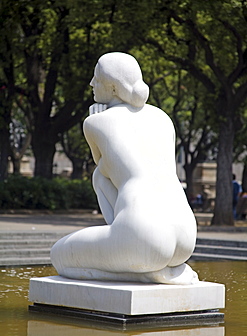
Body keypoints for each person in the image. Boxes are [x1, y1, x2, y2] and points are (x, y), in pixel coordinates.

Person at [51, 52, 198, 285]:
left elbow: (102, 163)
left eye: (96, 79)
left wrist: (96, 118)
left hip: (142, 235)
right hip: (186, 235)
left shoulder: (95, 122)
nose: (91, 83)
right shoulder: (163, 118)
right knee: (100, 176)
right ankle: (138, 259)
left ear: (112, 88)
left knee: (59, 256)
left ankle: (142, 272)